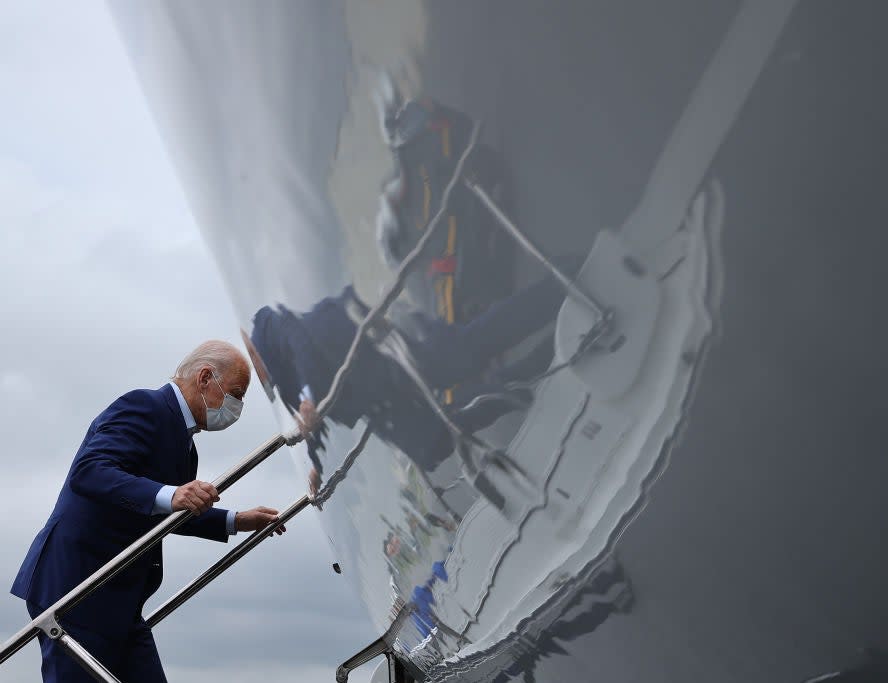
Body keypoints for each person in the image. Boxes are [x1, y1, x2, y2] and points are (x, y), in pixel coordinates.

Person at [10, 341, 286, 683]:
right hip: (78, 589)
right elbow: (90, 471)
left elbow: (166, 510)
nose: (237, 407)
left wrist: (236, 521)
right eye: (235, 394)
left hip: (119, 600)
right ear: (204, 378)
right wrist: (172, 495)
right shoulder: (144, 406)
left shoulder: (185, 441)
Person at [243, 269, 572, 476]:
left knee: (471, 349)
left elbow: (304, 358)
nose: (258, 376)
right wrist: (315, 465)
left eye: (252, 365)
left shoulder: (275, 332)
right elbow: (311, 417)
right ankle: (543, 362)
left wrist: (312, 399)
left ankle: (562, 283)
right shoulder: (285, 376)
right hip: (381, 389)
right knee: (433, 443)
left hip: (389, 351)